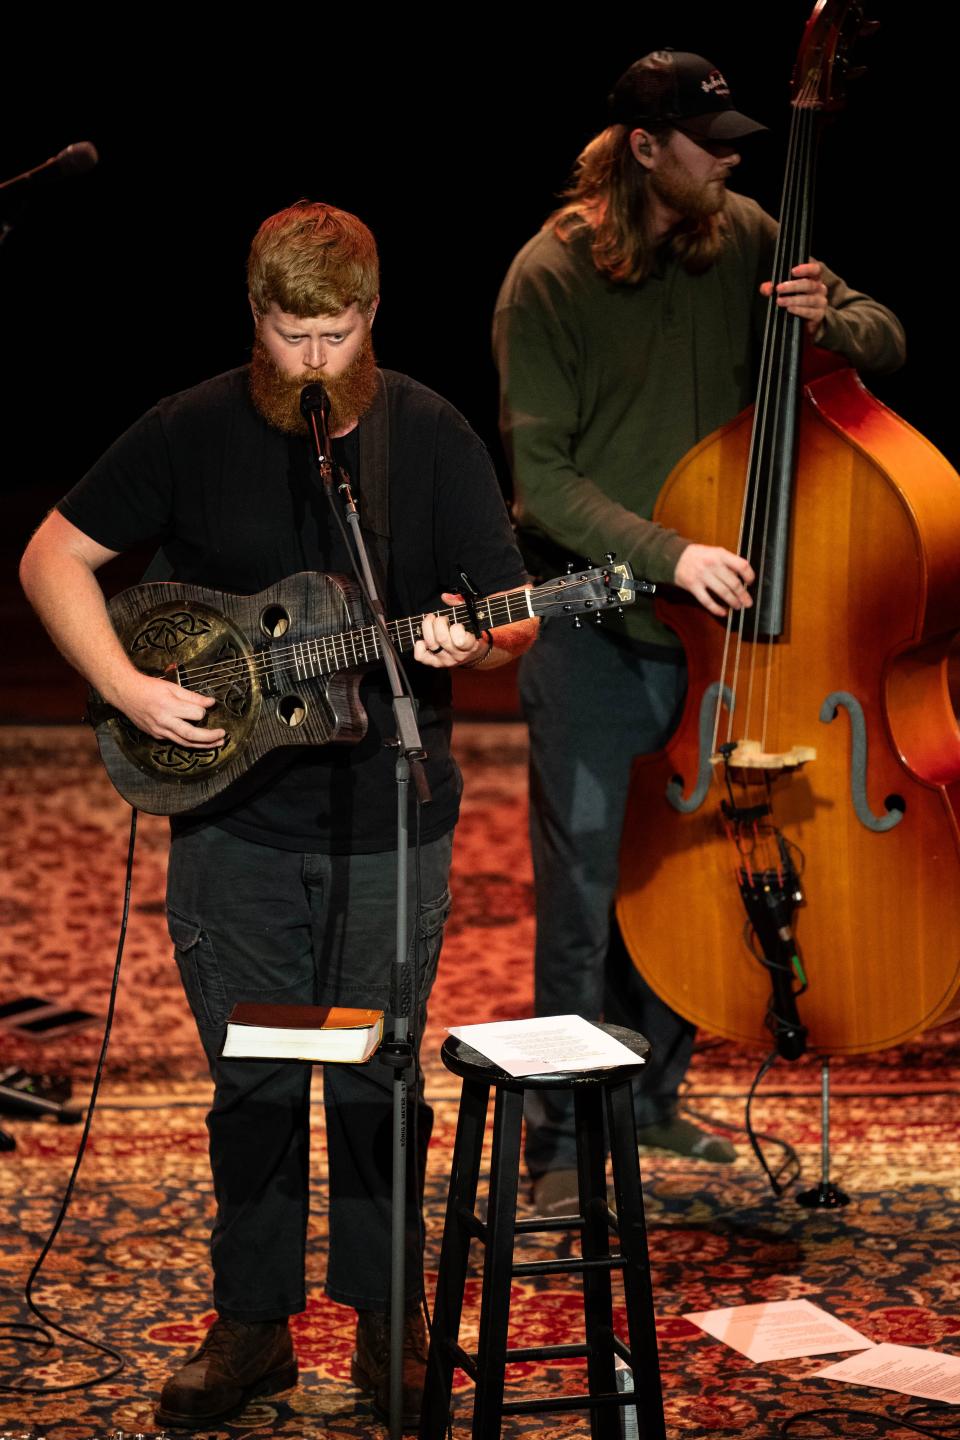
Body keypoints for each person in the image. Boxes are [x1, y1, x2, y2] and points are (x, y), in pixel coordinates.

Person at [19, 200, 537, 1430]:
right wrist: (124, 683)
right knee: (254, 1084)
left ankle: (385, 1323)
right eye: (292, 329)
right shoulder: (189, 427)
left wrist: (479, 640)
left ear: (373, 314)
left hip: (386, 826)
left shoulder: (429, 432)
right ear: (257, 314)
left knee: (377, 1083)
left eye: (338, 329)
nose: (314, 355)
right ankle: (251, 1325)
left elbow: (513, 611)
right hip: (235, 829)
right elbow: (51, 555)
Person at [493, 50, 905, 1213]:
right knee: (581, 903)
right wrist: (668, 553)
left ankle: (653, 1102)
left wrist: (845, 318)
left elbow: (883, 337)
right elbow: (543, 482)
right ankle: (565, 1145)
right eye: (708, 140)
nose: (730, 156)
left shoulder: (751, 233)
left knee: (691, 887)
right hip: (602, 628)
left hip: (735, 649)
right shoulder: (548, 277)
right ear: (641, 146)